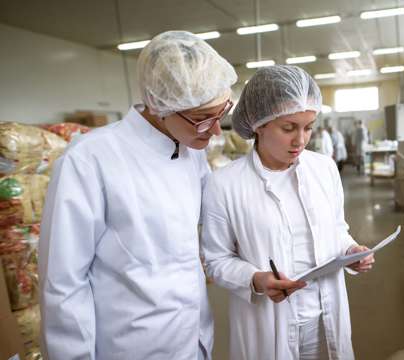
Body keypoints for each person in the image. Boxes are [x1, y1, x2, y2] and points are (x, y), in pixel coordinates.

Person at [38, 31, 237, 360]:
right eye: (204, 119)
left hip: (193, 336)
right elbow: (62, 285)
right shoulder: (90, 161)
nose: (216, 131)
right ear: (161, 106)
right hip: (132, 345)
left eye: (222, 113)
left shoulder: (191, 151)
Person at [201, 65, 374, 360]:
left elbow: (336, 227)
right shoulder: (224, 184)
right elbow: (216, 260)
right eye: (289, 128)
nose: (301, 140)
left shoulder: (324, 168)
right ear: (259, 125)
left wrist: (352, 249)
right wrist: (256, 279)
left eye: (308, 127)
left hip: (325, 314)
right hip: (271, 323)